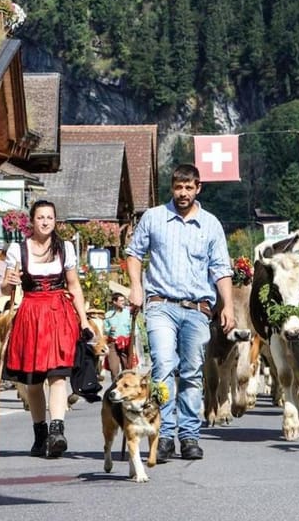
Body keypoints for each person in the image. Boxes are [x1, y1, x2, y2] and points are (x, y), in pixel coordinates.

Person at [126, 164, 235, 463]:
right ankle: (163, 434)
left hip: (198, 309)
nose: (183, 193)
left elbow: (221, 269)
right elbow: (134, 253)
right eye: (178, 187)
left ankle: (189, 435)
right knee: (162, 367)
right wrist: (136, 287)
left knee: (191, 372)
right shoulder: (154, 217)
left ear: (198, 188)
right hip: (161, 304)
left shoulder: (211, 224)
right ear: (171, 188)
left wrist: (229, 305)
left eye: (188, 187)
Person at [0, 200, 90, 459]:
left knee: (58, 375)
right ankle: (40, 435)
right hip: (31, 314)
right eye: (41, 217)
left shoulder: (65, 249)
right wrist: (8, 282)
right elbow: (7, 290)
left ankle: (57, 430)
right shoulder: (18, 250)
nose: (45, 221)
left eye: (50, 217)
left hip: (59, 314)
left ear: (55, 220)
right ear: (32, 220)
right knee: (34, 380)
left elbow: (74, 286)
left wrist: (83, 320)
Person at [103, 292, 133, 376]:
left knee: (127, 369)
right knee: (114, 368)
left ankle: (126, 386)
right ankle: (115, 387)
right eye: (121, 301)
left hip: (126, 344)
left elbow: (135, 329)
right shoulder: (108, 315)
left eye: (124, 300)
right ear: (114, 302)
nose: (123, 302)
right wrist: (110, 329)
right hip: (113, 344)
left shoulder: (128, 314)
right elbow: (104, 330)